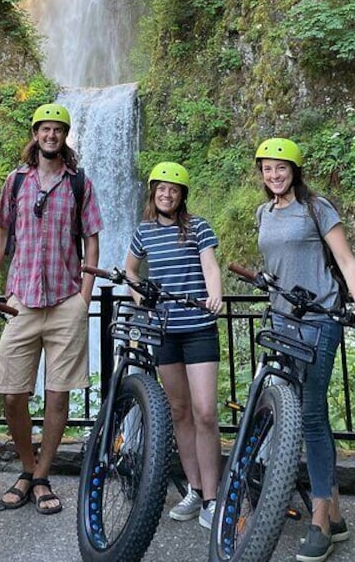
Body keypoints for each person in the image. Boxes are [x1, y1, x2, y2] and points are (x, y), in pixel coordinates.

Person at [0, 103, 103, 515]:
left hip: (66, 301)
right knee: (11, 394)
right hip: (21, 300)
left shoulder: (80, 183)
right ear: (35, 135)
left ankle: (41, 477)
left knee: (57, 396)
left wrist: (85, 296)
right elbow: (0, 237)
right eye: (44, 129)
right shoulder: (15, 182)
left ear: (65, 136)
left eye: (57, 130)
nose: (50, 135)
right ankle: (27, 468)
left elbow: (92, 240)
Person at [254, 137, 355, 562]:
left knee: (308, 411)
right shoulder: (263, 213)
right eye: (268, 168)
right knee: (304, 412)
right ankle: (336, 514)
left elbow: (346, 261)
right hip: (283, 321)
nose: (274, 175)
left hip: (319, 320)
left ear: (295, 170)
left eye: (281, 168)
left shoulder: (317, 208)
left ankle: (320, 518)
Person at [124, 161, 223, 529]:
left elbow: (210, 265)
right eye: (161, 188)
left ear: (182, 196)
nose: (166, 194)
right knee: (180, 411)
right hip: (165, 331)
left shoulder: (197, 226)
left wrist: (215, 296)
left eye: (174, 189)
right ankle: (195, 490)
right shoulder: (144, 231)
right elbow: (131, 270)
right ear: (153, 192)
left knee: (205, 412)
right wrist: (141, 301)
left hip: (198, 328)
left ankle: (213, 498)